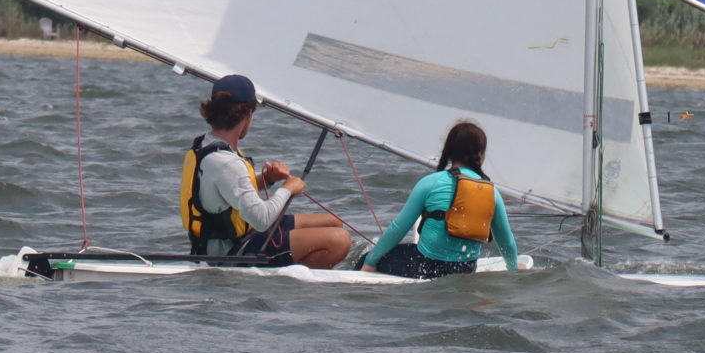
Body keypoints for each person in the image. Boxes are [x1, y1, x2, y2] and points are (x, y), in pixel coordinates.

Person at [179, 74, 351, 269]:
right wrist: (288, 189)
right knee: (339, 240)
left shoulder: (206, 146)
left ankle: (290, 261)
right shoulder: (226, 162)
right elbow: (261, 220)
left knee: (334, 222)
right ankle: (291, 282)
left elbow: (227, 191)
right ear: (248, 114)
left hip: (239, 235)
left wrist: (267, 180)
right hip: (232, 253)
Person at [354, 120, 520, 278]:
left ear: (448, 152)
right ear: (481, 155)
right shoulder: (492, 192)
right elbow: (506, 241)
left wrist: (370, 262)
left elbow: (398, 228)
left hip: (425, 266)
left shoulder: (431, 183)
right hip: (466, 269)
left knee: (365, 259)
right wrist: (513, 268)